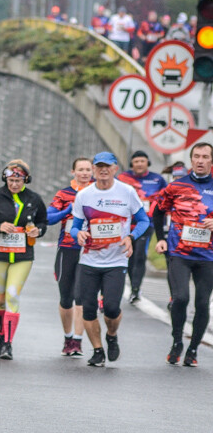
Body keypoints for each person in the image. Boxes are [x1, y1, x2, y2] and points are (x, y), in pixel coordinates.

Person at [70, 152, 150, 367]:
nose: (103, 170)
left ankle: (112, 336)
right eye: (99, 167)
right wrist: (77, 234)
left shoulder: (127, 192)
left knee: (112, 308)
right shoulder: (84, 195)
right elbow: (75, 227)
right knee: (88, 309)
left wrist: (131, 237)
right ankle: (97, 350)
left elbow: (143, 220)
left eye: (108, 166)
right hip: (89, 260)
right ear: (94, 170)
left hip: (116, 261)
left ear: (115, 168)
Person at [0, 160, 47, 360]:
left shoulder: (34, 198)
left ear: (26, 179)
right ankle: (2, 331)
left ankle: (7, 342)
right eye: (11, 180)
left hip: (23, 255)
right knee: (0, 298)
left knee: (12, 295)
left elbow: (42, 221)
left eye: (18, 180)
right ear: (5, 178)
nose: (14, 184)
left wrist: (37, 230)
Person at [152, 142, 213, 366]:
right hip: (179, 253)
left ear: (211, 161)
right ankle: (177, 341)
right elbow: (157, 212)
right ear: (191, 159)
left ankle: (193, 349)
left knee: (203, 303)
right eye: (196, 156)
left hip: (208, 257)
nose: (200, 160)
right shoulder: (177, 186)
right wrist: (160, 239)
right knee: (180, 299)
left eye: (205, 157)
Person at [47, 157, 92, 356]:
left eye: (88, 170)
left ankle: (78, 341)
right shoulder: (64, 194)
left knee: (81, 297)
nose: (84, 173)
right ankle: (67, 337)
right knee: (66, 298)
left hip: (90, 250)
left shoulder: (98, 193)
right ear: (73, 172)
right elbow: (48, 218)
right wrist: (66, 210)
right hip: (67, 249)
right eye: (80, 169)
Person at [117, 150, 166, 303]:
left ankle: (136, 289)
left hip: (146, 223)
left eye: (142, 161)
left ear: (147, 163)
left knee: (139, 255)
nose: (139, 164)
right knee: (129, 257)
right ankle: (131, 286)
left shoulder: (157, 179)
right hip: (125, 224)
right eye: (136, 161)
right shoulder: (122, 178)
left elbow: (165, 199)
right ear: (132, 164)